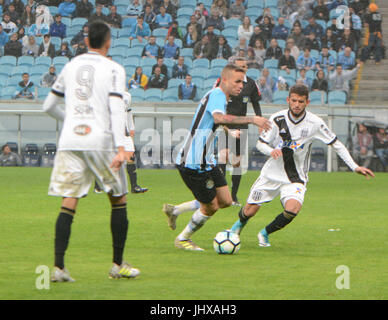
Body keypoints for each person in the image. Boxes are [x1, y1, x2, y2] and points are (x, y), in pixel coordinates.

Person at [43, 21, 140, 282]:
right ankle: (117, 265)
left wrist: (72, 122)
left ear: (86, 41)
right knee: (118, 199)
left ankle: (58, 269)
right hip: (100, 140)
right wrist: (121, 148)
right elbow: (117, 107)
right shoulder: (114, 68)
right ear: (108, 42)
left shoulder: (70, 65)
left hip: (71, 141)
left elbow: (49, 105)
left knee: (69, 201)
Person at [227, 84, 374, 247]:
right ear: (288, 100)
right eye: (294, 101)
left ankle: (264, 233)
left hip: (295, 177)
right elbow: (261, 144)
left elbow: (336, 143)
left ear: (307, 102)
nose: (297, 104)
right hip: (271, 174)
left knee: (292, 209)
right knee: (250, 210)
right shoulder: (277, 119)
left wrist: (354, 167)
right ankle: (237, 227)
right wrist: (271, 151)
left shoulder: (315, 123)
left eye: (301, 102)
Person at [162, 64, 270, 251]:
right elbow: (219, 118)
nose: (241, 86)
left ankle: (175, 210)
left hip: (207, 160)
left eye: (243, 83)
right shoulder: (218, 95)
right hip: (193, 162)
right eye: (237, 82)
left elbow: (215, 119)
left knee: (226, 201)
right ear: (225, 80)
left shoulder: (217, 96)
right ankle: (183, 239)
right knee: (211, 206)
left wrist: (230, 131)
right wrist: (252, 119)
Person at [215, 58, 263, 205]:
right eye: (238, 66)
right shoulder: (224, 82)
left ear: (247, 68)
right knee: (222, 157)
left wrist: (259, 121)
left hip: (242, 126)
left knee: (236, 162)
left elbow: (256, 103)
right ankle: (221, 195)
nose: (241, 68)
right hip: (226, 124)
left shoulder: (251, 84)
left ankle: (234, 196)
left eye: (244, 66)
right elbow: (216, 98)